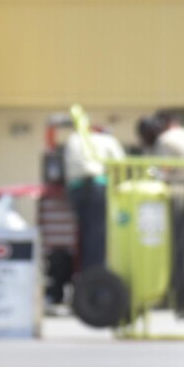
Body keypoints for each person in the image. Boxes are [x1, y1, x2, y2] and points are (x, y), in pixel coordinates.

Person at [137, 111, 184, 316]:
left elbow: (163, 171)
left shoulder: (165, 140)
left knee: (173, 247)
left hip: (176, 193)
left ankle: (174, 296)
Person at [62, 105, 123, 273]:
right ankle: (95, 275)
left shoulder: (73, 139)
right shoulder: (107, 140)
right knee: (98, 235)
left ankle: (85, 274)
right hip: (98, 188)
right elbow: (120, 165)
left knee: (84, 233)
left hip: (76, 191)